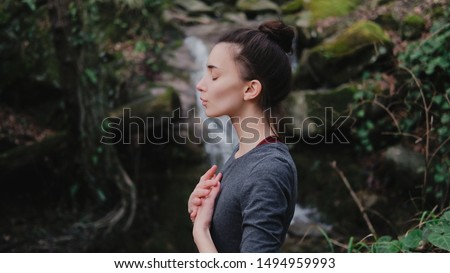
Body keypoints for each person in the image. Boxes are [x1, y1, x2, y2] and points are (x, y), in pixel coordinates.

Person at [188, 20, 298, 253]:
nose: (200, 85)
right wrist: (203, 211)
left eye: (214, 76)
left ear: (250, 89)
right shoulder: (244, 154)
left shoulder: (267, 170)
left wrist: (201, 232)